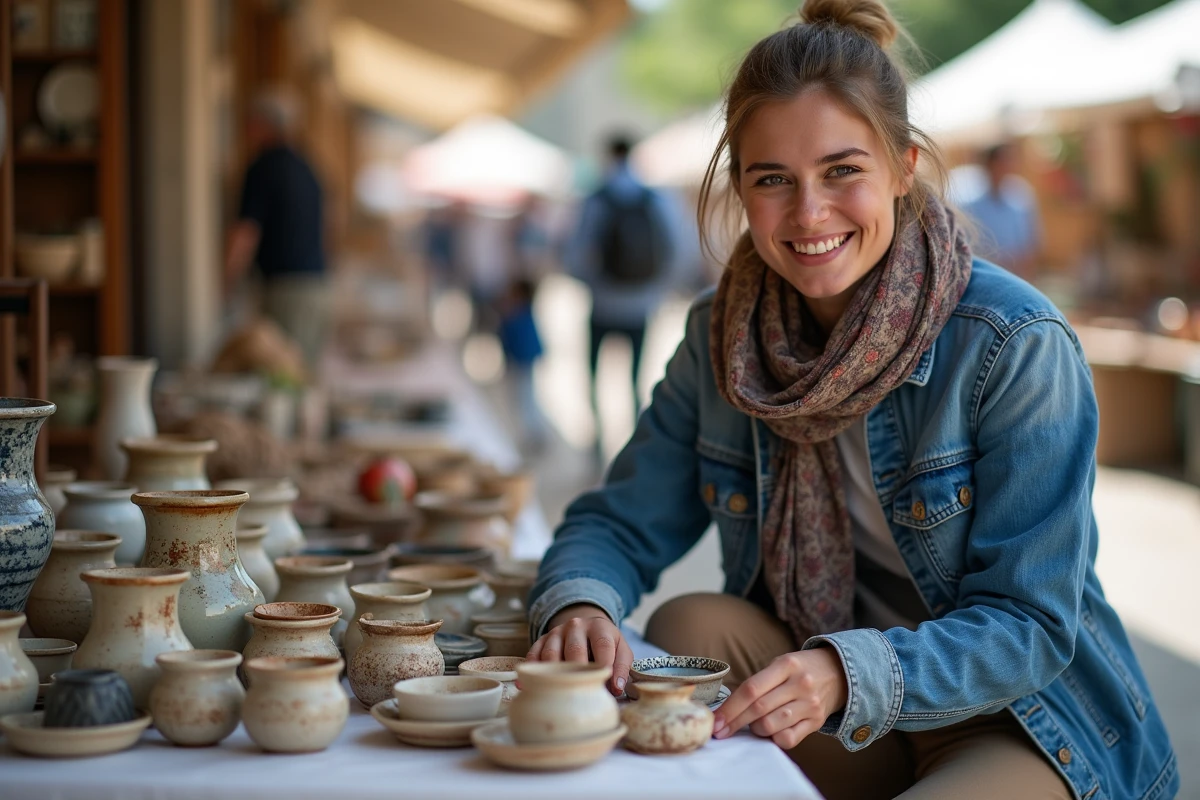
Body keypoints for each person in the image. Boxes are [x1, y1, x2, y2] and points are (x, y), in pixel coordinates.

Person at [524, 2, 1177, 799]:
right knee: (687, 628)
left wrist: (851, 671)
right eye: (773, 179)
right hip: (837, 707)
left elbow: (1032, 625)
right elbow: (621, 520)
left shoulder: (1013, 341)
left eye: (842, 171)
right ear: (740, 188)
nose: (809, 213)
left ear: (903, 168)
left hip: (1016, 720)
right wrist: (580, 604)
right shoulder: (721, 335)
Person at [566, 133, 678, 457]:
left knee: (593, 376)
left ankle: (598, 441)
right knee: (635, 380)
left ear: (607, 155)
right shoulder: (654, 198)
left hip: (602, 304)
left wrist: (591, 284)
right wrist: (655, 289)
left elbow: (575, 252)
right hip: (640, 305)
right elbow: (676, 249)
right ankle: (633, 442)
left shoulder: (596, 199)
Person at [224, 88, 330, 367]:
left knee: (282, 373)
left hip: (286, 288)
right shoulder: (307, 166)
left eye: (249, 122)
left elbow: (245, 232)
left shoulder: (262, 168)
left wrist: (226, 281)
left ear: (263, 124)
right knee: (302, 370)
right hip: (317, 284)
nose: (245, 130)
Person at [962, 143, 1042, 279]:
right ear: (988, 166)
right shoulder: (970, 205)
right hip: (985, 277)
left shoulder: (1021, 196)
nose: (1005, 167)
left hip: (1016, 275)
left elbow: (1032, 243)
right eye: (1000, 162)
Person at [497, 277, 549, 454]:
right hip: (521, 362)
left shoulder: (518, 317)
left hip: (523, 363)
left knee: (526, 399)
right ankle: (532, 434)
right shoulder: (519, 315)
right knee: (524, 399)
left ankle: (534, 435)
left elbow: (520, 342)